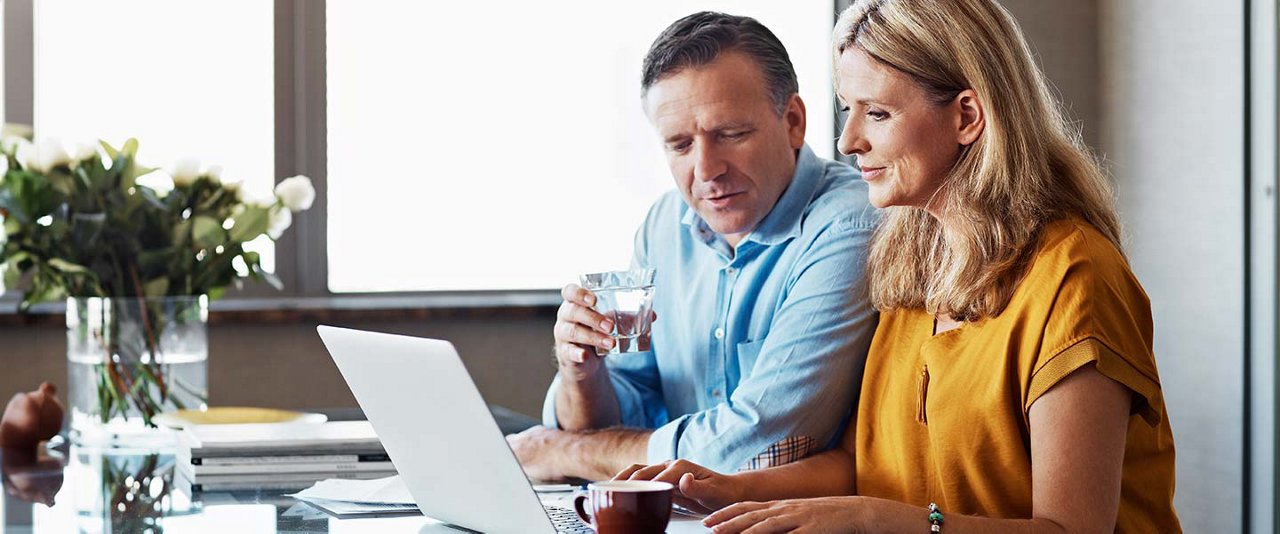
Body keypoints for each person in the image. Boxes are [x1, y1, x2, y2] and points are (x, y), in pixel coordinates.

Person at [616, 0, 1181, 532]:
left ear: (966, 117)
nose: (848, 140)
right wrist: (730, 488)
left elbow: (1072, 529)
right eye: (848, 110)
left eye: (878, 113)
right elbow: (863, 465)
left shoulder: (1074, 278)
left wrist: (876, 522)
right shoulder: (911, 259)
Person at [506, 11, 879, 482]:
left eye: (730, 134)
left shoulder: (850, 224)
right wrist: (581, 374)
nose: (706, 170)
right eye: (680, 145)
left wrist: (565, 453)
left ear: (793, 122)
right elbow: (622, 410)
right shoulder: (664, 225)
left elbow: (758, 446)